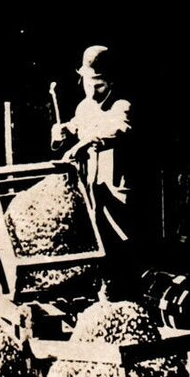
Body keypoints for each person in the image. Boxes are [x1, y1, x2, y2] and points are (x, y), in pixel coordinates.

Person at [51, 45, 142, 295]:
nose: (92, 89)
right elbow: (74, 126)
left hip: (116, 190)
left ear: (111, 81)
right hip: (90, 188)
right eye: (88, 82)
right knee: (95, 240)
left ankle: (127, 296)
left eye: (99, 84)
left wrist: (86, 142)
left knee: (121, 243)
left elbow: (117, 130)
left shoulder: (121, 106)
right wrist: (61, 132)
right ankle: (103, 292)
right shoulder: (85, 107)